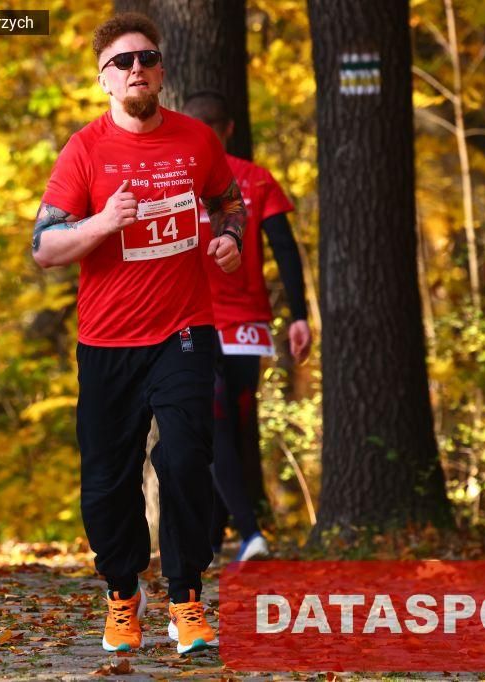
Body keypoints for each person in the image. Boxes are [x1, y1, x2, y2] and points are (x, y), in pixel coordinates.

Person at [31, 14, 247, 655]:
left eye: (146, 59)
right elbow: (44, 247)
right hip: (107, 342)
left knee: (184, 458)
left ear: (161, 70)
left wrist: (230, 238)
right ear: (103, 79)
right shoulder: (84, 150)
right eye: (122, 62)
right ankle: (123, 594)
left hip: (184, 331)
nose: (136, 70)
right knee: (106, 481)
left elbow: (228, 202)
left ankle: (186, 598)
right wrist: (103, 223)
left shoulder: (196, 140)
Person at [182, 91, 313, 562]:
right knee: (230, 430)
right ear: (230, 128)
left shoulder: (174, 182)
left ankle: (248, 533)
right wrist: (299, 315)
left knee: (214, 430)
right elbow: (286, 249)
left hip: (191, 322)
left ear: (190, 128)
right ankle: (218, 539)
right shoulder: (257, 179)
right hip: (247, 325)